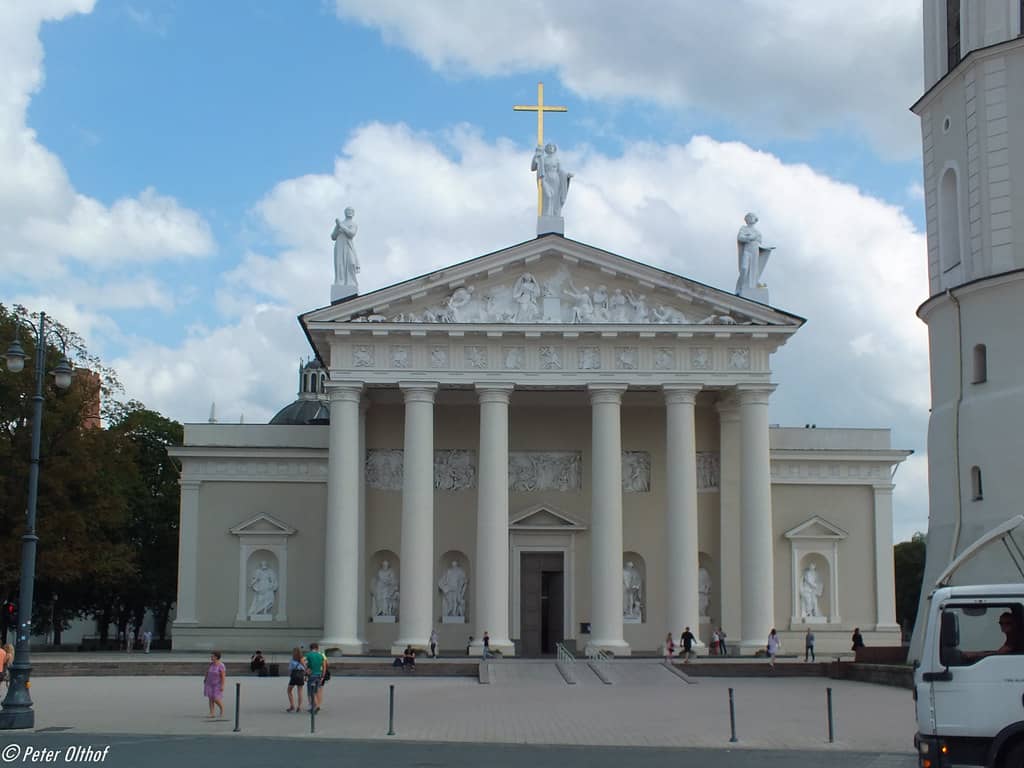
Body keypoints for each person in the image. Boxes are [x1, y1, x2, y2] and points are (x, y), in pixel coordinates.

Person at [735, 212, 774, 294]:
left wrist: (767, 249)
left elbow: (759, 244)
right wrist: (749, 238)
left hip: (754, 251)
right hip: (746, 250)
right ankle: (740, 287)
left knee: (753, 270)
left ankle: (751, 286)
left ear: (754, 219)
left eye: (751, 217)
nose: (750, 219)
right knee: (744, 268)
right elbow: (740, 238)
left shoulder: (758, 232)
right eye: (748, 217)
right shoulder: (744, 228)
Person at [531, 143, 573, 217]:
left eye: (552, 147)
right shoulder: (542, 158)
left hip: (555, 180)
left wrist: (567, 175)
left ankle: (554, 214)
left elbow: (561, 170)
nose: (550, 148)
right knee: (548, 196)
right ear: (546, 149)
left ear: (554, 149)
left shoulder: (557, 160)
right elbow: (533, 168)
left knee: (555, 198)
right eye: (549, 147)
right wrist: (536, 155)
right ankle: (546, 214)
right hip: (545, 179)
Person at [331, 208, 359, 287]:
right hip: (339, 246)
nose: (349, 212)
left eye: (351, 211)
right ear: (345, 213)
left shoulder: (353, 224)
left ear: (353, 213)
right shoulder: (340, 223)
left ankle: (351, 282)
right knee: (340, 264)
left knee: (351, 263)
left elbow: (351, 234)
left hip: (348, 245)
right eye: (347, 211)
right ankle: (340, 282)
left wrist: (341, 226)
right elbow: (333, 236)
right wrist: (337, 226)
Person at [304, 642, 327, 713]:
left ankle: (315, 706)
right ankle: (316, 706)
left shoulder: (308, 654)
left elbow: (302, 660)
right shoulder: (320, 655)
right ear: (317, 648)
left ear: (310, 648)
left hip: (312, 675)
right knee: (316, 691)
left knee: (310, 692)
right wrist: (323, 675)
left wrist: (306, 669)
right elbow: (324, 666)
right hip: (319, 675)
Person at [204, 651, 226, 719]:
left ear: (216, 657)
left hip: (217, 684)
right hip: (209, 683)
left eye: (212, 656)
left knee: (216, 699)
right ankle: (212, 713)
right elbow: (208, 672)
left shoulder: (221, 665)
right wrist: (205, 679)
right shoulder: (211, 664)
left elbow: (223, 676)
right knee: (210, 698)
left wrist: (222, 685)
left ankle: (222, 709)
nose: (211, 657)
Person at [286, 647, 305, 713]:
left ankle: (292, 705)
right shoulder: (302, 659)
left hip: (294, 675)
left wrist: (290, 675)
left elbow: (290, 669)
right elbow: (304, 667)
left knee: (289, 690)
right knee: (300, 691)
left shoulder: (292, 659)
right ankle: (299, 707)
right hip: (301, 675)